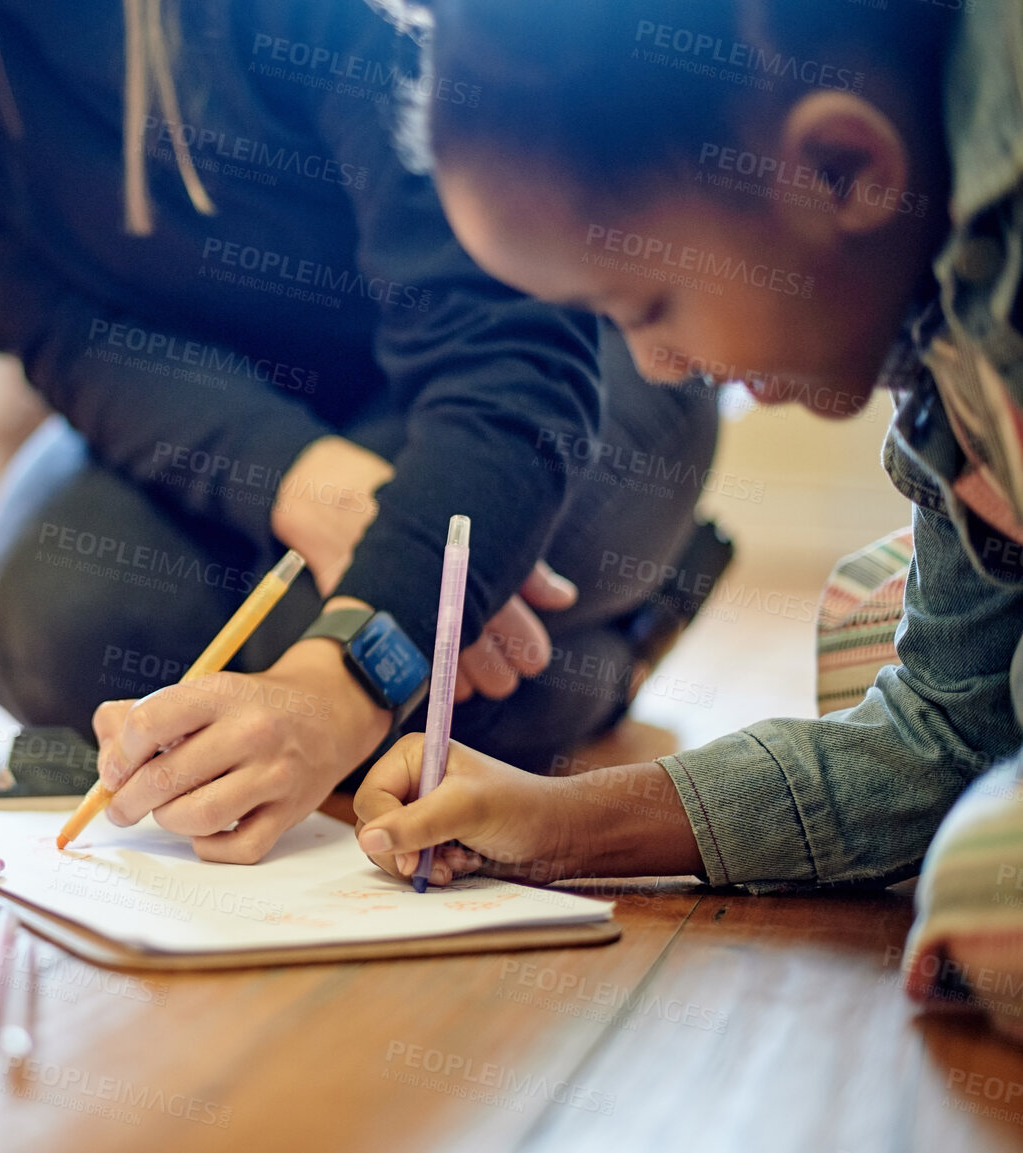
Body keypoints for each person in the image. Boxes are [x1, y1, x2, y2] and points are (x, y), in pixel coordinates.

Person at [0, 0, 722, 865]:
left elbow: (507, 357)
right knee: (52, 633)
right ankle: (504, 655)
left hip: (565, 360)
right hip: (263, 435)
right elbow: (78, 348)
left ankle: (570, 635)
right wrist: (305, 485)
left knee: (522, 541)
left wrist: (341, 682)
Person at [349, 0, 1023, 1037]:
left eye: (647, 307)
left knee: (988, 898)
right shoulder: (935, 310)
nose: (660, 367)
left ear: (839, 169)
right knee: (866, 624)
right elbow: (940, 730)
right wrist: (550, 821)